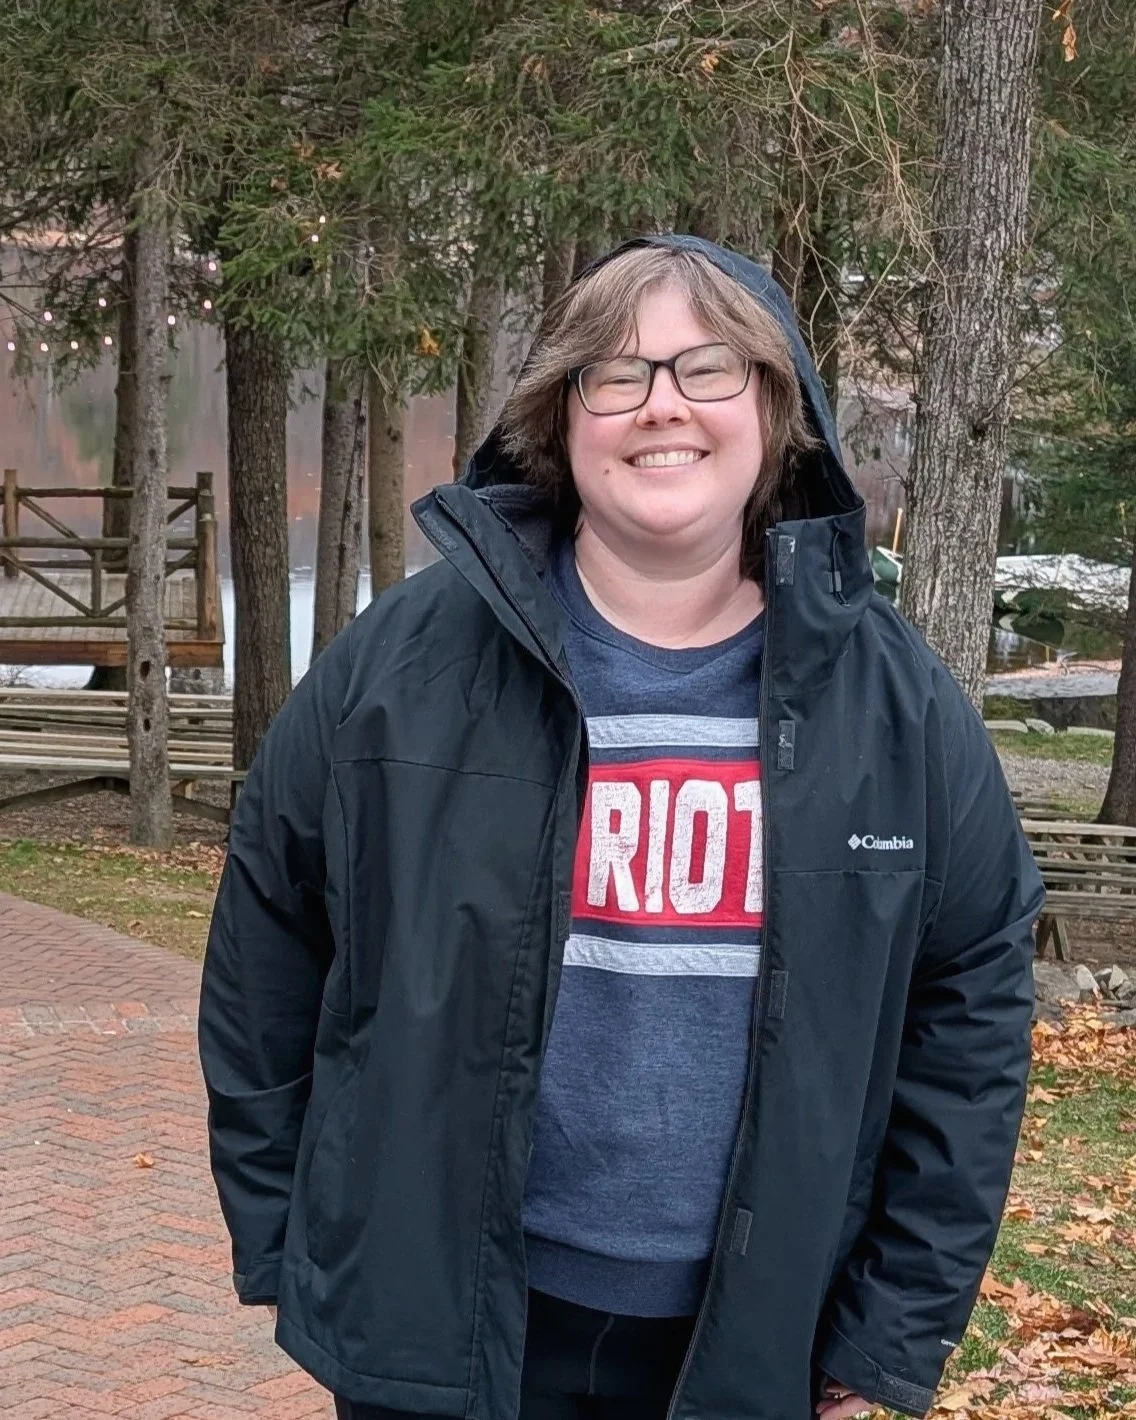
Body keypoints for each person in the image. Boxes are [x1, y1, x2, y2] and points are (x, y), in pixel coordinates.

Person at [199, 234, 1044, 1420]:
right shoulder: (400, 667)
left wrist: (893, 1319)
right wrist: (298, 1227)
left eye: (709, 369)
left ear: (774, 409)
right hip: (448, 1328)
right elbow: (266, 937)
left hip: (751, 1343)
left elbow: (969, 1008)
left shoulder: (892, 704)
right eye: (615, 372)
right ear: (560, 413)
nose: (661, 406)